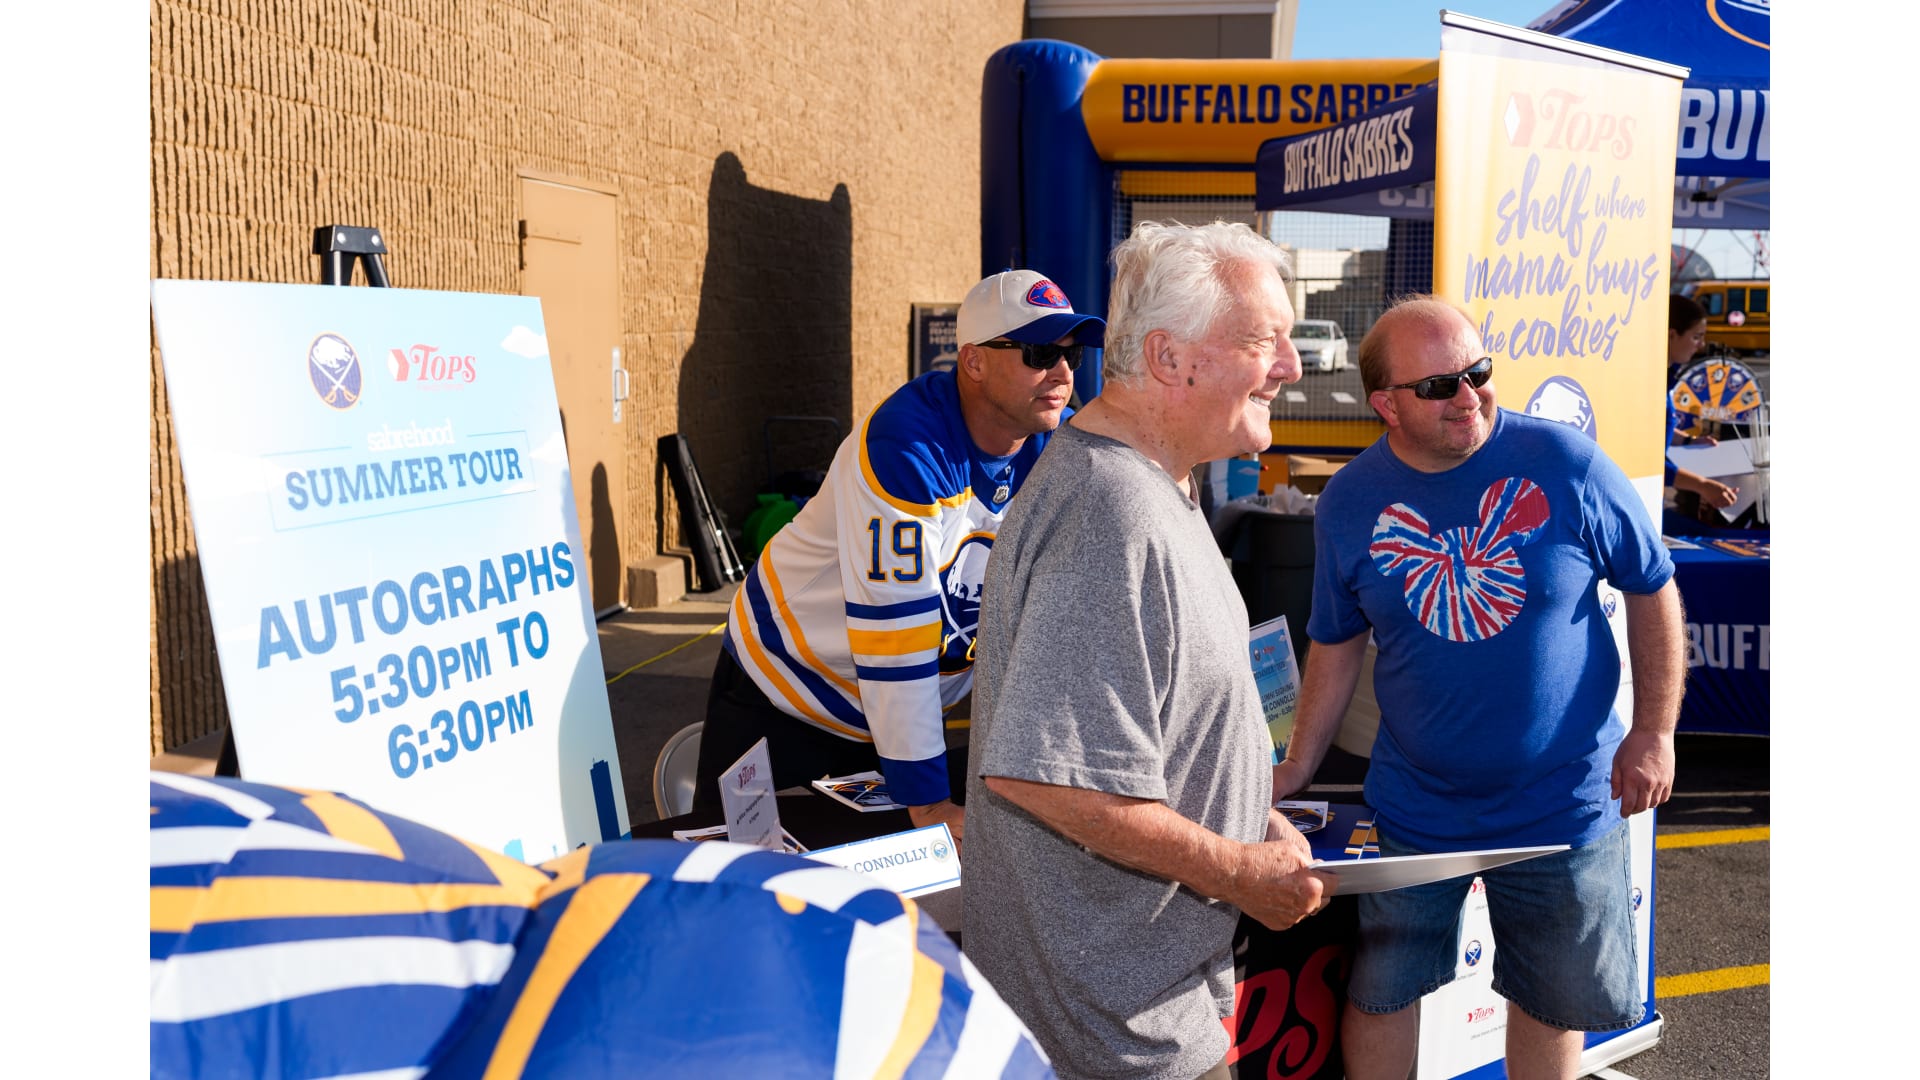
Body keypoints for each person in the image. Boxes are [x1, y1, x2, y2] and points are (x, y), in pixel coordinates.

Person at [1273, 296, 1686, 1080]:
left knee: (1552, 1004)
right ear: (1386, 405)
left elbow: (1652, 585)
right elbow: (1336, 640)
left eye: (1478, 372)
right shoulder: (1352, 501)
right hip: (1415, 806)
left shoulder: (1567, 463)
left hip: (1562, 804)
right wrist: (1297, 764)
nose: (1468, 396)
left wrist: (1654, 731)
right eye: (1439, 387)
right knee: (1383, 993)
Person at [964, 220, 1333, 1080]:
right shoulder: (1111, 513)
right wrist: (1238, 870)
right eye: (1264, 340)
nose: (1292, 365)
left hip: (1138, 1010)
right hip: (1113, 1033)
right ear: (1169, 358)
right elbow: (1049, 777)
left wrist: (1251, 814)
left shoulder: (1160, 484)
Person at [690, 268, 1105, 841]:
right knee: (738, 877)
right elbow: (895, 643)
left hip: (899, 719)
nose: (1062, 373)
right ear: (974, 361)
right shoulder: (905, 446)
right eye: (1039, 353)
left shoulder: (1055, 445)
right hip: (785, 692)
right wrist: (928, 803)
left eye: (1071, 354)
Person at [1665, 293, 1738, 513]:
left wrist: (1689, 440)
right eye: (1696, 337)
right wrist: (1702, 485)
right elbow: (1647, 459)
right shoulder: (1650, 383)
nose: (1701, 345)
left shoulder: (1667, 378)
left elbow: (1657, 432)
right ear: (1671, 335)